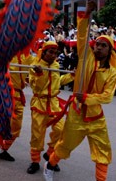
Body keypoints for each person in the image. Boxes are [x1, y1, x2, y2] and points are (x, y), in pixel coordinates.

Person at [43, 0, 116, 181]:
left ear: (110, 50)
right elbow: (83, 35)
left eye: (104, 45)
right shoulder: (86, 58)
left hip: (96, 118)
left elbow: (107, 97)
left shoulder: (112, 73)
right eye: (97, 44)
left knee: (103, 151)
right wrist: (87, 14)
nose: (98, 47)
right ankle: (50, 165)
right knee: (65, 146)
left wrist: (86, 97)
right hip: (76, 114)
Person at [26, 41, 73, 174]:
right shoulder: (34, 66)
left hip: (53, 103)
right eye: (50, 52)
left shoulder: (56, 65)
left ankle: (50, 153)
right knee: (37, 134)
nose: (53, 55)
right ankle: (35, 162)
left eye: (55, 52)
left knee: (61, 129)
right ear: (44, 52)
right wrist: (40, 74)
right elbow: (37, 87)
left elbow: (58, 82)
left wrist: (71, 76)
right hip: (39, 103)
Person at [0, 53, 33, 162]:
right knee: (1, 122)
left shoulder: (29, 58)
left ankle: (3, 149)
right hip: (5, 93)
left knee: (16, 127)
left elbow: (35, 71)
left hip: (18, 96)